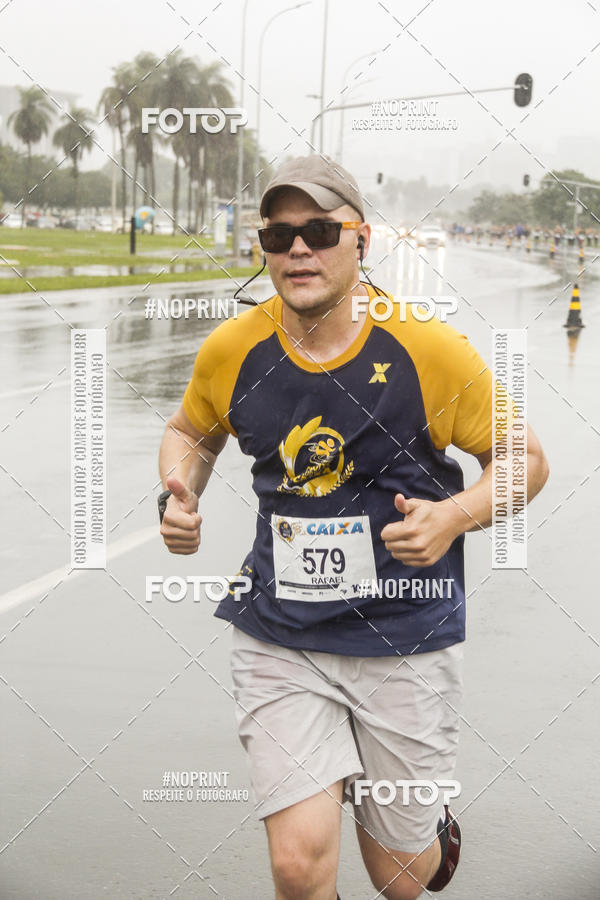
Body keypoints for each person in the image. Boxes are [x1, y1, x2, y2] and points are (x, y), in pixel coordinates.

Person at [157, 155, 549, 899]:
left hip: (403, 638)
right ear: (263, 247)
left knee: (399, 878)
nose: (297, 248)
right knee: (299, 866)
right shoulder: (235, 349)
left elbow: (524, 458)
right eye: (279, 233)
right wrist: (178, 492)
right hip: (280, 635)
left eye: (318, 230)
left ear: (359, 240)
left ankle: (427, 834)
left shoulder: (427, 349)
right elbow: (191, 431)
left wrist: (455, 515)